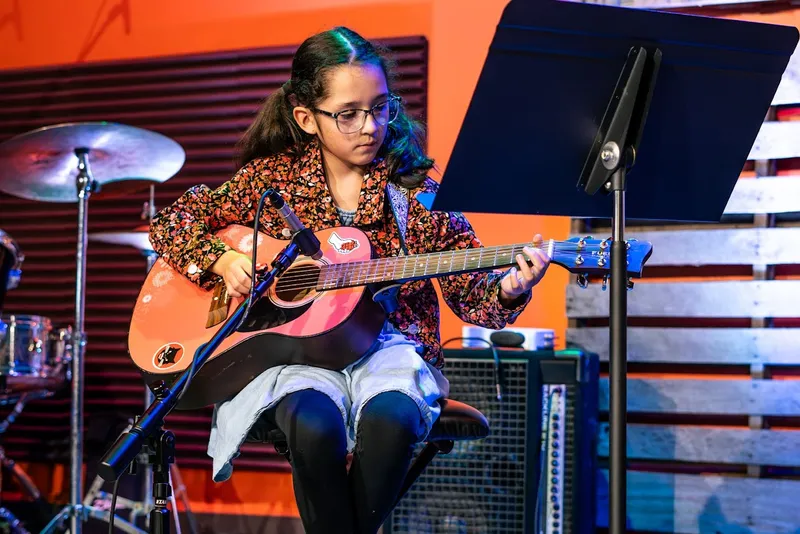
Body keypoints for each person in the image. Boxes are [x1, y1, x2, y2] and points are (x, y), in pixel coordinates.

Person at [149, 26, 551, 534]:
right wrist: (220, 261)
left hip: (390, 350)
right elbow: (172, 222)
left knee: (391, 420)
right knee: (315, 424)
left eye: (381, 107)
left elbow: (475, 298)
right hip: (291, 354)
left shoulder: (416, 190)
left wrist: (512, 288)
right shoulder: (272, 181)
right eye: (349, 114)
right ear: (306, 118)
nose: (369, 126)